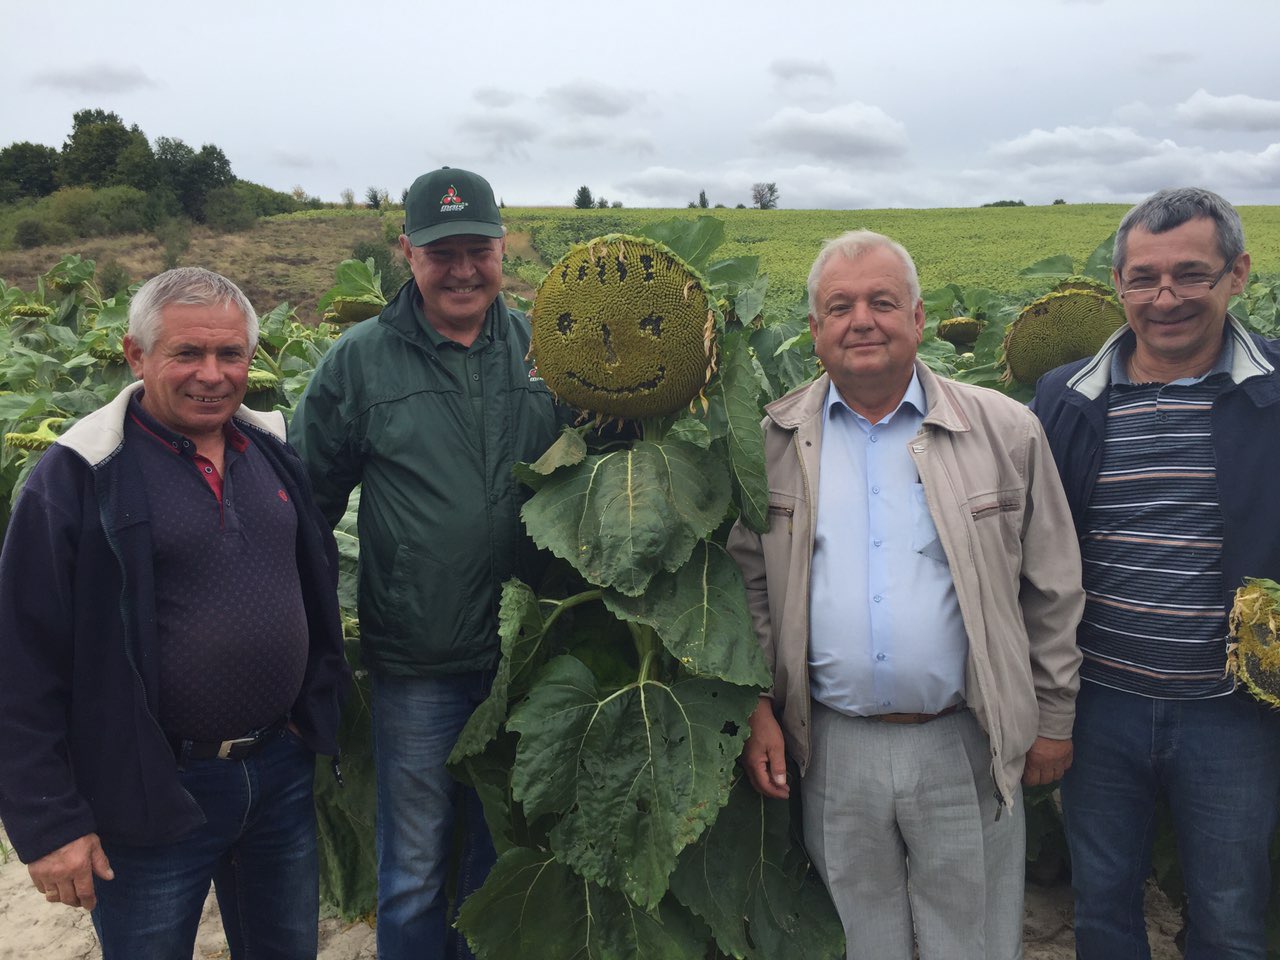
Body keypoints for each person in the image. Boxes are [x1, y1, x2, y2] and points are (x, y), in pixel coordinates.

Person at [726, 230, 1084, 960]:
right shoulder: (769, 440)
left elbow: (1052, 584)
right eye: (840, 306)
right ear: (815, 329)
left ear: (919, 320)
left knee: (972, 938)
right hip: (831, 743)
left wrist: (1052, 717)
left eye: (883, 302)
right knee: (859, 939)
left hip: (964, 738)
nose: (863, 320)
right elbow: (749, 587)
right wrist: (756, 707)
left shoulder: (1004, 429)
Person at [0, 267, 350, 960]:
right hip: (148, 786)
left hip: (277, 770)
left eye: (231, 355)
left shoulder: (273, 455)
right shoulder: (76, 477)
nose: (212, 374)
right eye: (186, 354)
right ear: (136, 355)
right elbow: (19, 659)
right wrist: (47, 824)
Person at [290, 166, 560, 960]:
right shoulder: (360, 361)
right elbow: (304, 501)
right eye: (443, 253)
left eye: (480, 249)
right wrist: (299, 634)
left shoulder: (548, 349)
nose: (464, 270)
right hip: (418, 662)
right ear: (407, 252)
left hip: (530, 659)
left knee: (497, 858)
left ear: (503, 249)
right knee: (411, 868)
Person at [1031, 187, 1280, 959]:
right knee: (1103, 905)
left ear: (1237, 274)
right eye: (1143, 279)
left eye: (1190, 275)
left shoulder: (1272, 390)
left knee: (1230, 912)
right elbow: (1038, 546)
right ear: (1119, 286)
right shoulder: (1066, 397)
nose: (1164, 298)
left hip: (1231, 712)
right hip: (1100, 704)